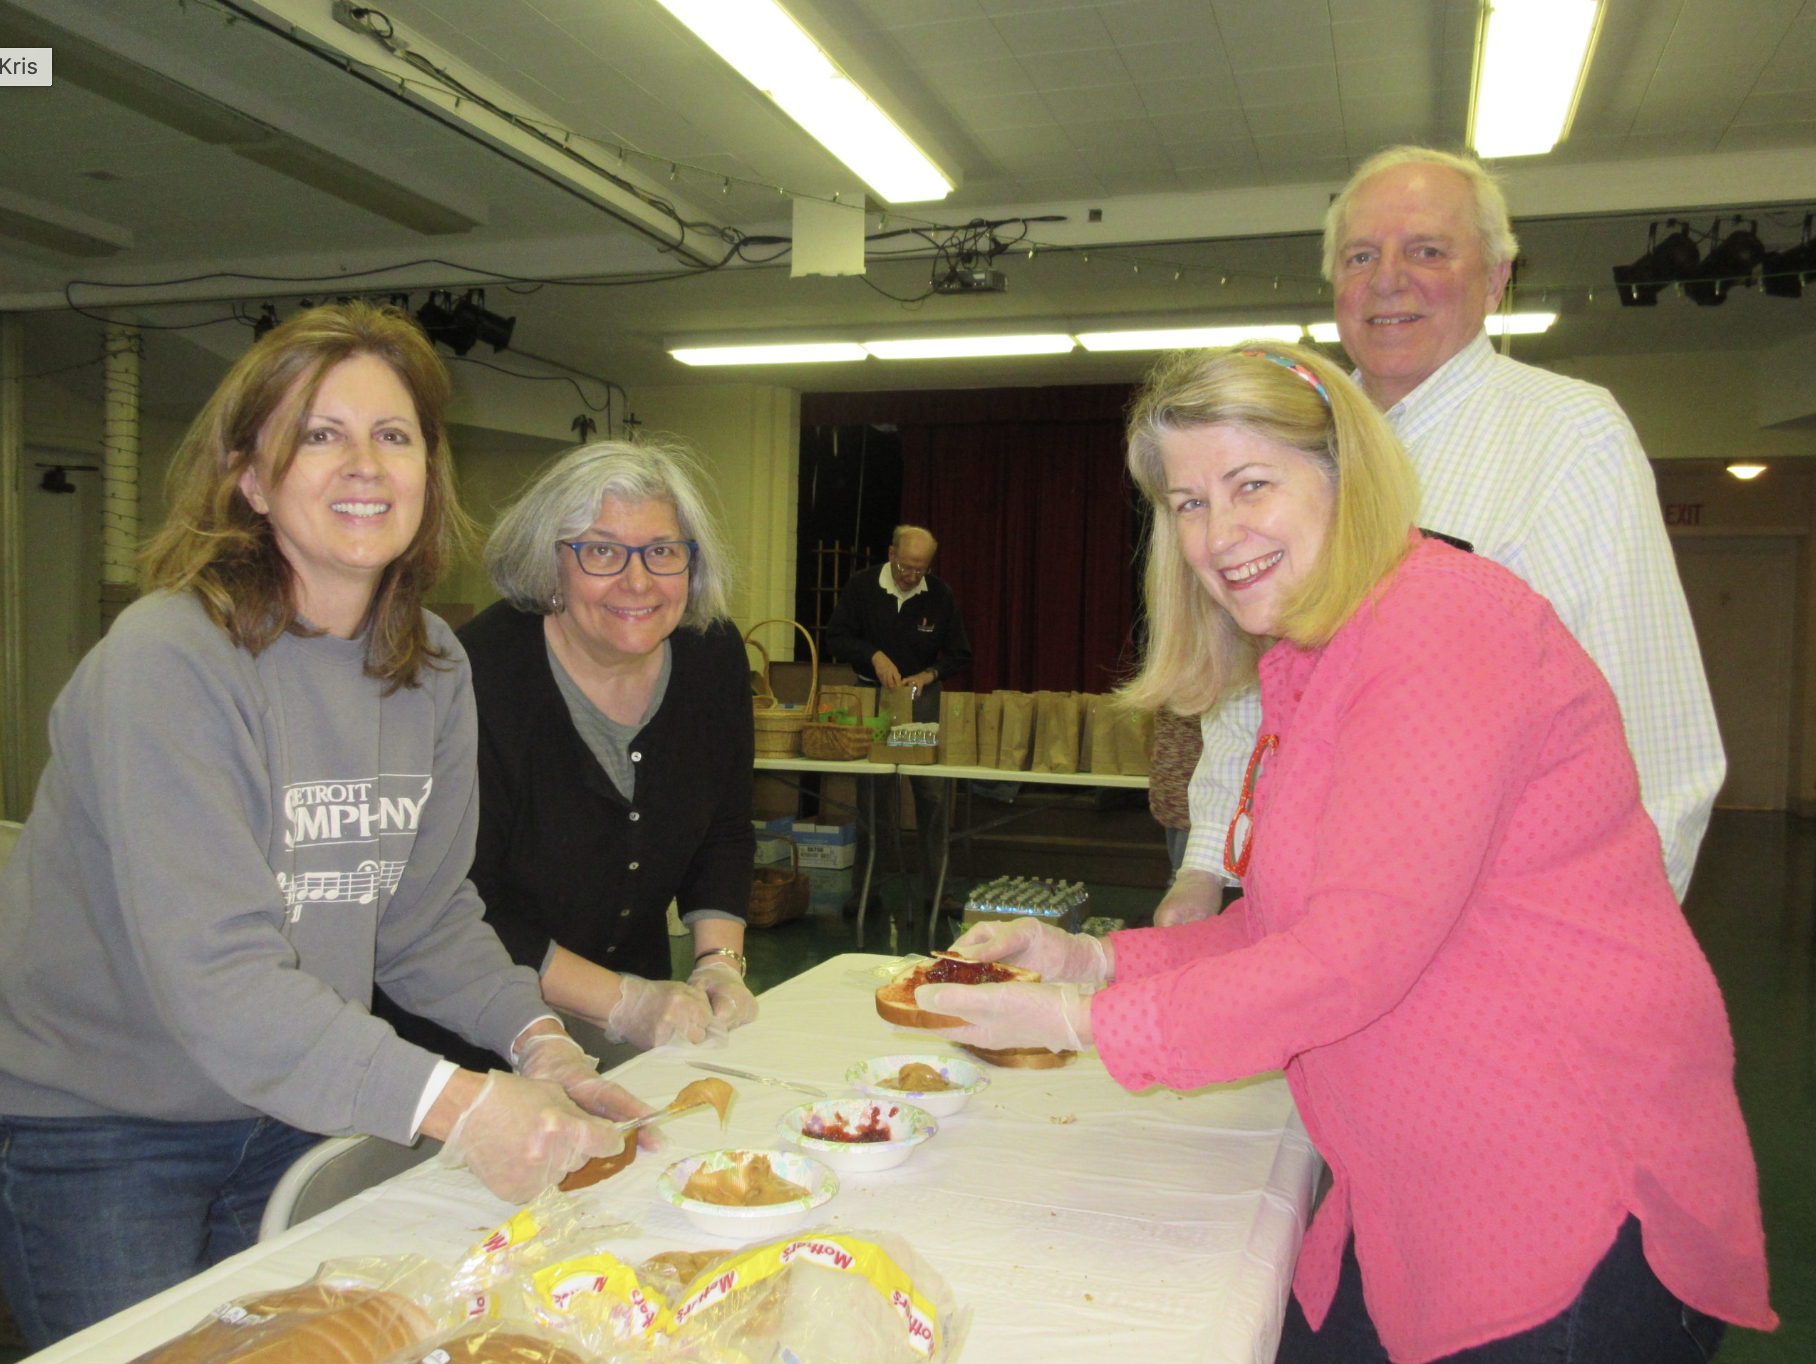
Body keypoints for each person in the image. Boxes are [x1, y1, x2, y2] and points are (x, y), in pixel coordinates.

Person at [917, 343, 1774, 1363]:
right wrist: (1091, 959)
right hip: (1418, 1195)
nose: (1216, 533)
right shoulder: (1324, 653)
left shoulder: (1444, 623)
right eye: (1186, 502)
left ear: (1342, 473)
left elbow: (1348, 956)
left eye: (1249, 484)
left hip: (1562, 1201)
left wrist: (1074, 1020)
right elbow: (1284, 921)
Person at [0, 304, 649, 1349]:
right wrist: (466, 1106)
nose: (364, 463)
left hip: (290, 1104)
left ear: (428, 475)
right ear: (250, 478)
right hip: (106, 1129)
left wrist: (537, 1039)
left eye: (393, 435)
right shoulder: (167, 659)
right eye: (319, 432)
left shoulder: (432, 664)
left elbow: (426, 919)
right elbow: (222, 980)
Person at [1163, 146, 1721, 927]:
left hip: (1492, 924)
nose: (1388, 278)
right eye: (1362, 256)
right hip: (1300, 921)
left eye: (1426, 250)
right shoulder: (1290, 443)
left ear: (1495, 279)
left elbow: (1656, 735)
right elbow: (1252, 691)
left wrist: (1603, 948)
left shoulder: (1567, 433)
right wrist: (1207, 864)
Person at [379, 439, 757, 1067]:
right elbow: (464, 904)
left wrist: (720, 964)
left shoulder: (710, 655)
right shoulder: (476, 678)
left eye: (662, 551)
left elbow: (724, 829)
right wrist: (621, 1002)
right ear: (550, 565)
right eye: (602, 551)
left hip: (644, 1033)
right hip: (473, 1039)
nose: (638, 581)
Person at [824, 526, 973, 916]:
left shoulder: (940, 595)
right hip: (873, 698)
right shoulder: (862, 586)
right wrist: (872, 654)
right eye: (905, 567)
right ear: (891, 555)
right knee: (873, 800)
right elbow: (836, 638)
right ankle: (866, 892)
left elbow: (959, 654)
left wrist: (930, 674)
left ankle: (940, 894)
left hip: (922, 703)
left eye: (919, 570)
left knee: (933, 797)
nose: (910, 576)